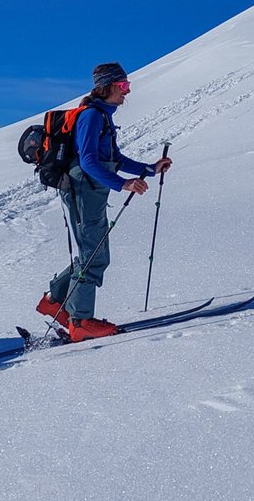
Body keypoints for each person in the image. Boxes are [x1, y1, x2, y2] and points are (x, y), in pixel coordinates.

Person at [37, 62, 172, 341]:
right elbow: (88, 161)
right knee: (94, 255)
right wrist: (123, 184)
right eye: (123, 85)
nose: (127, 91)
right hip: (84, 190)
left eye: (127, 85)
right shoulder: (91, 116)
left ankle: (55, 301)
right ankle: (80, 321)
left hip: (92, 190)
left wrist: (149, 169)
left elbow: (114, 158)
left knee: (93, 252)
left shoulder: (102, 116)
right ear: (107, 86)